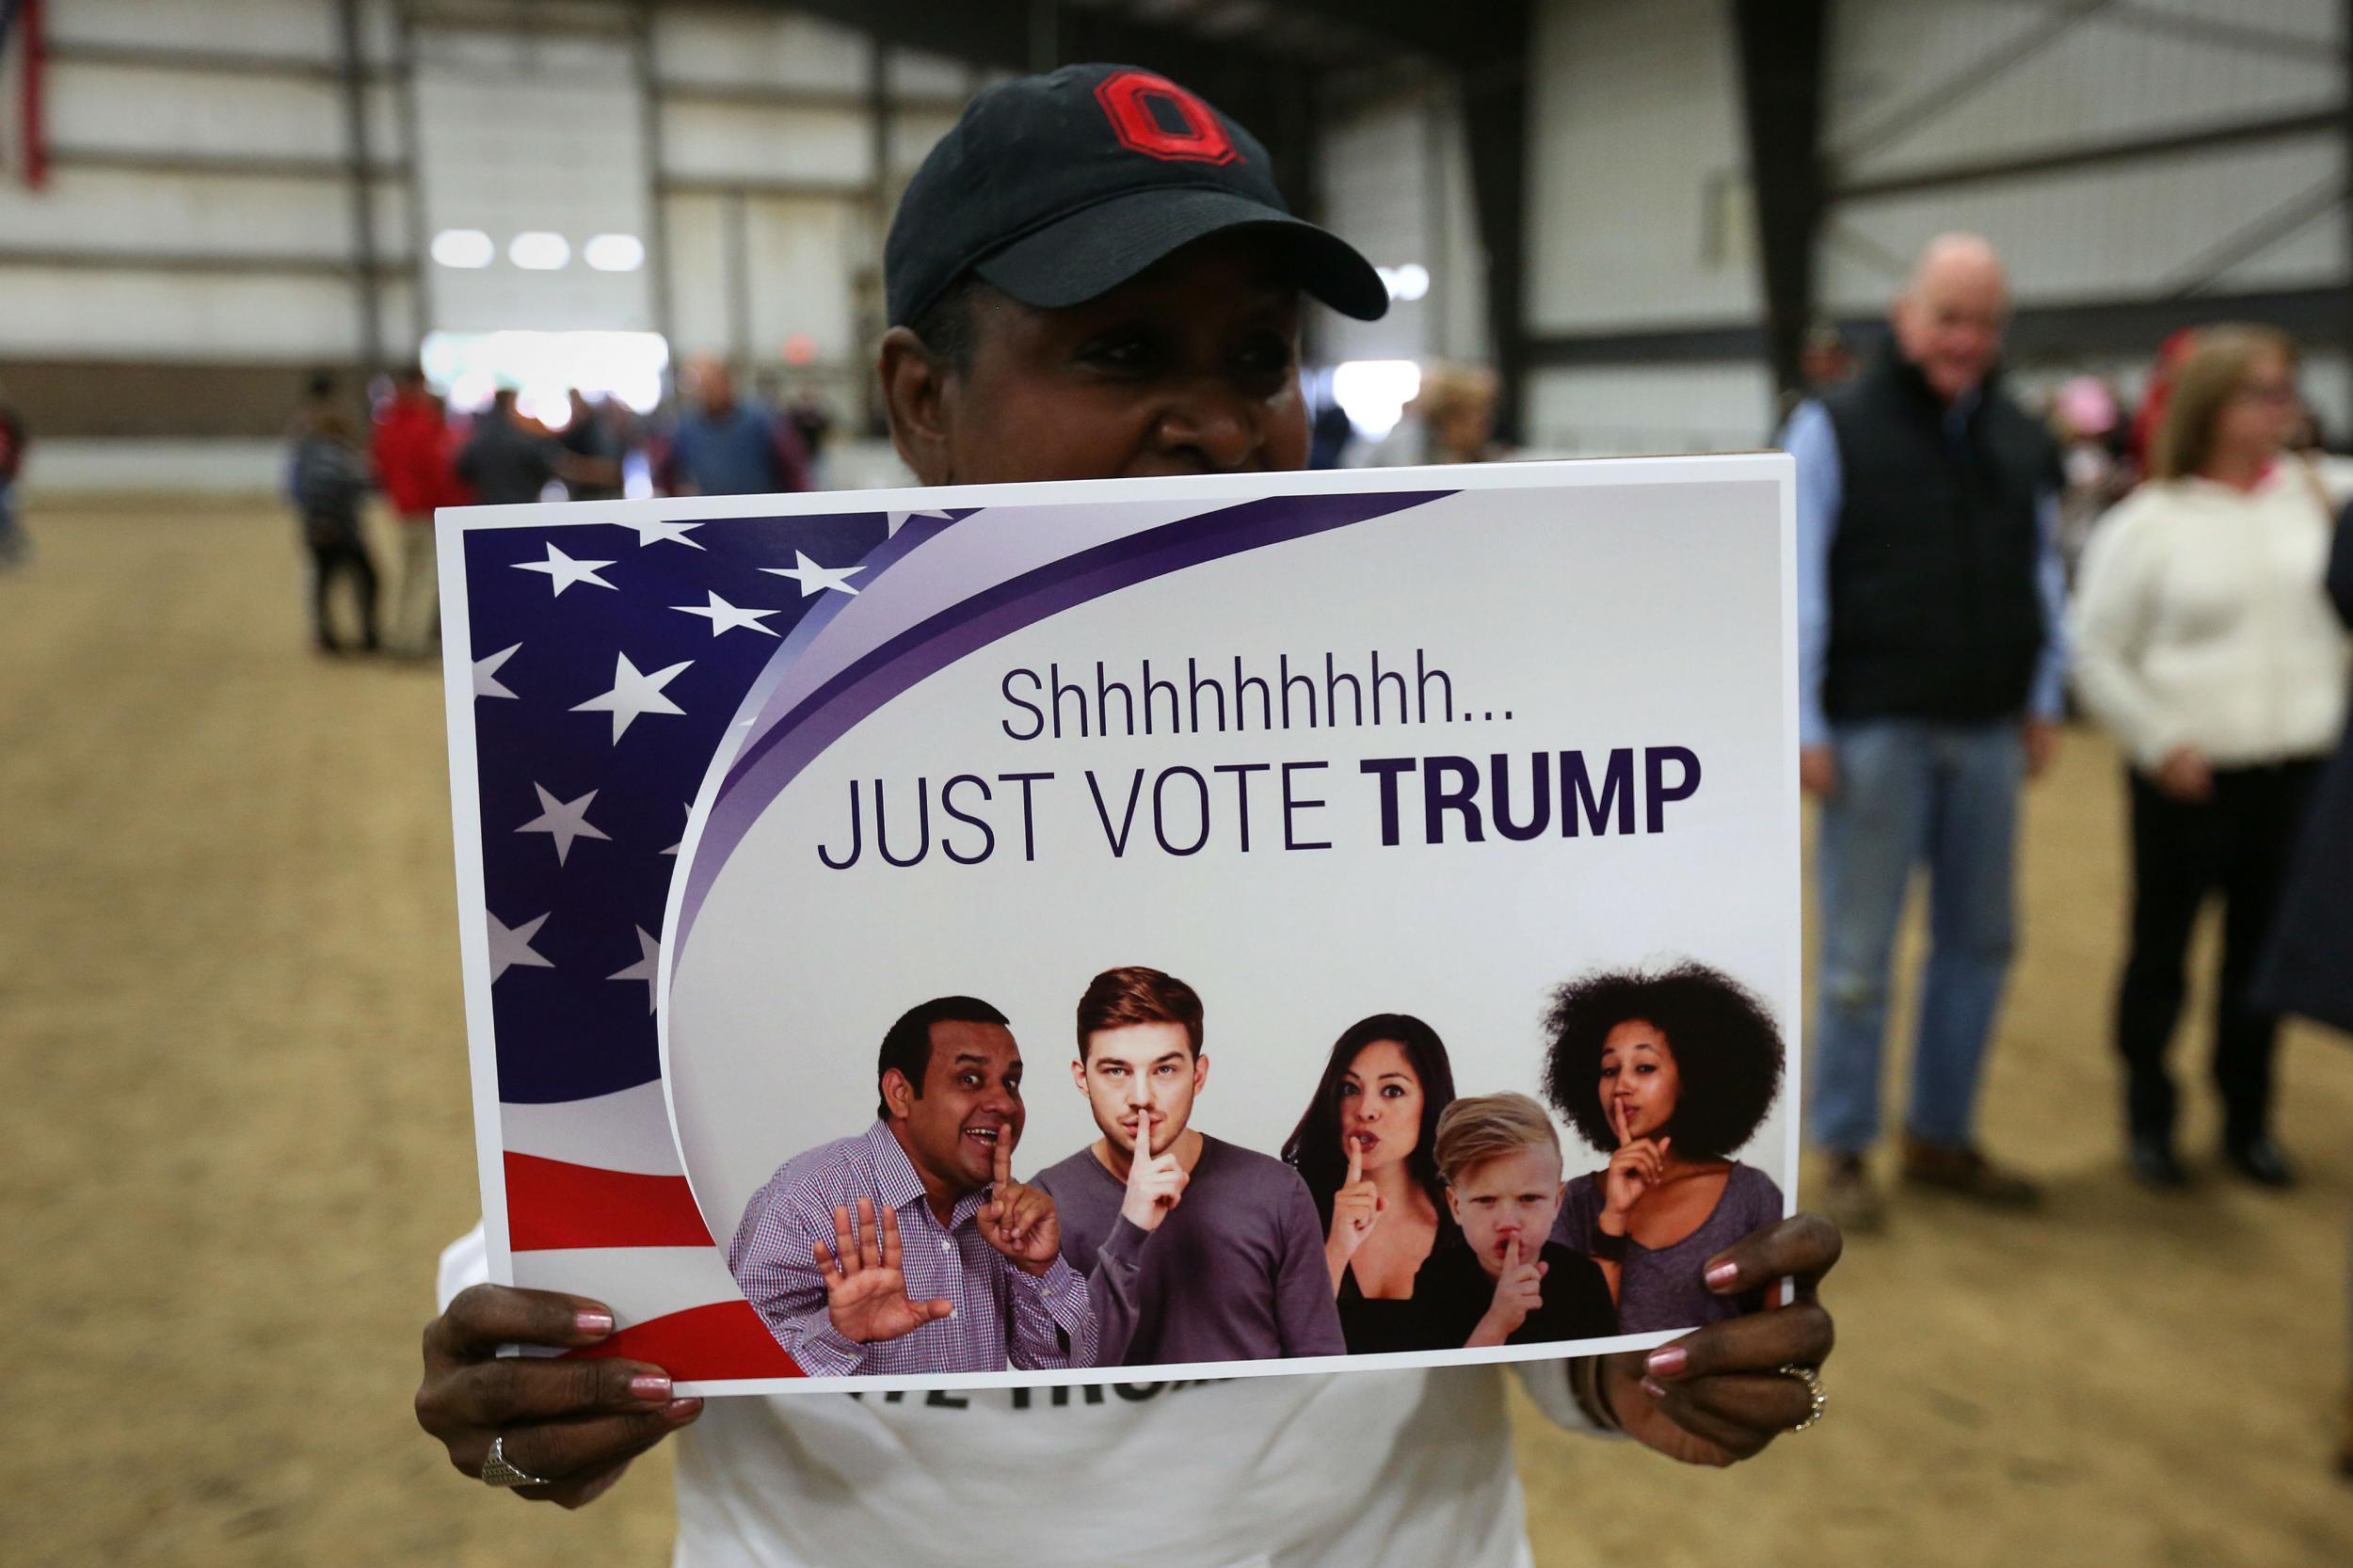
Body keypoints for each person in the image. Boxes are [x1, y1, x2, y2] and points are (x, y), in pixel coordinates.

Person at [414, 63, 1842, 1565]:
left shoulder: (1458, 717)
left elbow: (1515, 1274)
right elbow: (585, 1213)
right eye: (1122, 348)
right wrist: (535, 1367)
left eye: (1257, 356)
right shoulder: (721, 739)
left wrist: (1642, 1346)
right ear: (920, 397)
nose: (1220, 424)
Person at [1781, 232, 2066, 1230]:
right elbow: (1798, 582)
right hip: (1872, 732)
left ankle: (1940, 1135)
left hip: (1988, 727)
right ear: (1906, 319)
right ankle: (1847, 1146)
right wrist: (1805, 719)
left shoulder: (2023, 436)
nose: (1966, 339)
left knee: (1980, 941)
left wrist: (2045, 692)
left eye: (1984, 322)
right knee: (1858, 955)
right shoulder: (1830, 428)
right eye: (1949, 317)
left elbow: (2042, 575)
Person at [2071, 326, 2352, 1189]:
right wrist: (2159, 741)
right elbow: (2094, 650)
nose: (2282, 408)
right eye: (2260, 392)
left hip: (2299, 774)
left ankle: (2247, 1120)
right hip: (2188, 779)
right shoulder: (2146, 523)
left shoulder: (2324, 496)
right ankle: (2149, 1117)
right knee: (2163, 951)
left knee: (2260, 960)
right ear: (2211, 407)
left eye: (2285, 391)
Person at [726, 996, 1094, 1374]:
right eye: (969, 1079)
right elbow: (735, 1372)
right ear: (900, 1094)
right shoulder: (806, 1199)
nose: (1004, 1103)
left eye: (1011, 1082)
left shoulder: (1004, 1209)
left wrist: (1040, 1270)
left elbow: (1066, 1381)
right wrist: (839, 1335)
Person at [1032, 966, 1343, 1365]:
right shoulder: (1046, 1203)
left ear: (1198, 1075)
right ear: (1082, 1078)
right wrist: (1130, 1229)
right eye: (1116, 1071)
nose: (1140, 1097)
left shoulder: (1278, 1192)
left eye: (1164, 1069)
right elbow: (1066, 1382)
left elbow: (1322, 1370)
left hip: (1252, 1429)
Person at [1541, 963, 1787, 1334]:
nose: (1621, 1085)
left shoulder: (1751, 1196)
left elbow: (1781, 1339)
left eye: (1644, 1068)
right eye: (1609, 1070)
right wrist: (1613, 1219)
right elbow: (1578, 1343)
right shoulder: (1571, 1203)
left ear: (1691, 1076)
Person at [1280, 1013, 1459, 1352]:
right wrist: (1336, 1249)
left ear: (1429, 1101)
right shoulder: (1290, 1208)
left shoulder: (1468, 1216)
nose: (1366, 1109)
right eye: (1350, 1089)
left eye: (1392, 1091)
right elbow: (1279, 1350)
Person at [1417, 1094, 1615, 1349]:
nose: (1508, 1222)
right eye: (1486, 1200)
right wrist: (1497, 1322)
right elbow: (1440, 1383)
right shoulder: (1436, 1280)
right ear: (1456, 1205)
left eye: (1529, 1198)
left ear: (1557, 1202)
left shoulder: (1584, 1280)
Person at [371, 367, 464, 656]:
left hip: (400, 509)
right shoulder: (424, 424)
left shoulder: (387, 423)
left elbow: (379, 464)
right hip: (425, 510)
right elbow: (436, 471)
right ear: (418, 385)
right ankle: (413, 642)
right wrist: (449, 508)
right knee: (424, 577)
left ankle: (399, 635)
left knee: (405, 576)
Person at [287, 409, 380, 654]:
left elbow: (296, 490)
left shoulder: (306, 453)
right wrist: (326, 520)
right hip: (338, 530)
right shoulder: (334, 454)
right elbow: (354, 484)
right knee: (367, 578)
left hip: (318, 528)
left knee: (324, 583)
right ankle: (366, 634)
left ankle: (326, 636)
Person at [660, 358, 812, 497]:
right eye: (703, 386)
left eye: (713, 384)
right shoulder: (685, 429)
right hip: (711, 517)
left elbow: (794, 467)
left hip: (760, 514)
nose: (709, 392)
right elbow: (666, 471)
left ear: (727, 382)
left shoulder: (762, 420)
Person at [455, 388, 562, 506]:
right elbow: (544, 471)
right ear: (511, 404)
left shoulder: (479, 438)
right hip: (522, 507)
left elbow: (461, 470)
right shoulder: (523, 438)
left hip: (487, 508)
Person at [558, 390, 626, 503]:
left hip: (602, 501)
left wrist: (572, 468)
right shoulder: (575, 432)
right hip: (584, 500)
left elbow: (610, 472)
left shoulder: (598, 432)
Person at [0, 378, 27, 570]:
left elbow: (17, 449)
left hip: (4, 477)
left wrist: (14, 470)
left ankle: (11, 545)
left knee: (4, 511)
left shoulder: (10, 425)